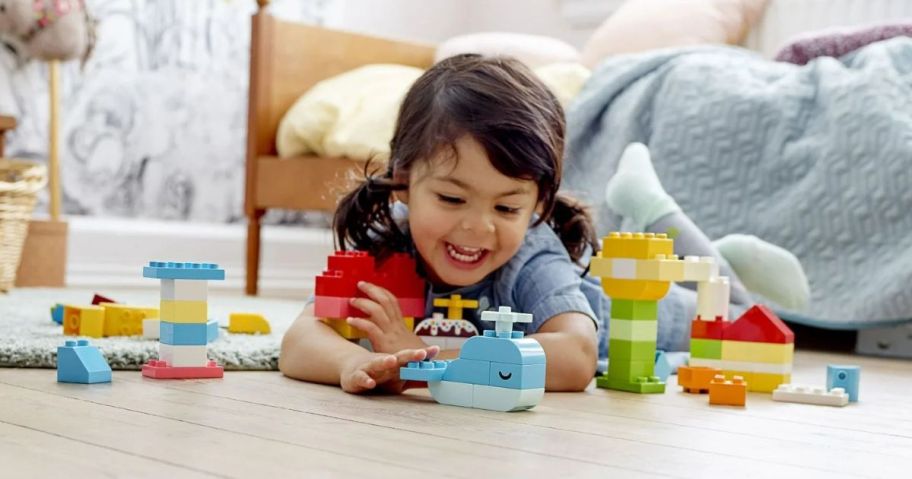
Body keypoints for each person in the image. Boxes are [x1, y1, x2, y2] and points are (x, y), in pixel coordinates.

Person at [279, 54, 806, 395]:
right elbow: (301, 339)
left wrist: (419, 353)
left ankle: (665, 217)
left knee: (733, 313)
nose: (478, 228)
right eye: (451, 197)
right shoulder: (386, 237)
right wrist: (355, 363)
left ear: (538, 204)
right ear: (404, 178)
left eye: (507, 207)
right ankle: (686, 232)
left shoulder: (533, 253)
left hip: (640, 305)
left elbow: (575, 359)